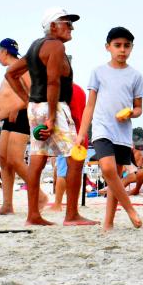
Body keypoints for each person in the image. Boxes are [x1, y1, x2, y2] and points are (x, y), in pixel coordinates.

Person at [5, 7, 96, 226]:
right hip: (53, 108)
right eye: (67, 22)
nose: (71, 27)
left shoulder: (36, 46)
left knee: (38, 159)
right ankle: (72, 215)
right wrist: (52, 117)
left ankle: (33, 216)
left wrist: (28, 100)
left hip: (36, 107)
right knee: (76, 156)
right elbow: (53, 81)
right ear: (53, 26)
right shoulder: (55, 46)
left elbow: (11, 73)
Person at [75, 26, 143, 230]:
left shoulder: (135, 76)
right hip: (102, 129)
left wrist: (132, 113)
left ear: (132, 48)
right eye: (117, 45)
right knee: (107, 170)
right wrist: (82, 134)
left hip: (123, 133)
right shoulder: (98, 72)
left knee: (115, 175)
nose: (122, 50)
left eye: (126, 46)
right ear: (108, 47)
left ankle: (109, 223)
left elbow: (139, 107)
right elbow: (90, 105)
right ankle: (130, 209)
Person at [0, 38, 46, 214]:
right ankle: (7, 205)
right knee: (3, 158)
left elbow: (34, 93)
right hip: (8, 120)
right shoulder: (11, 69)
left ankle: (40, 195)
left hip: (22, 116)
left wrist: (19, 107)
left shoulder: (20, 68)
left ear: (3, 51)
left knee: (15, 160)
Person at [50, 82, 87, 212]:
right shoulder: (80, 90)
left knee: (62, 171)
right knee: (76, 172)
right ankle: (73, 205)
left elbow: (61, 114)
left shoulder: (62, 89)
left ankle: (58, 204)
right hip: (82, 134)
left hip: (69, 133)